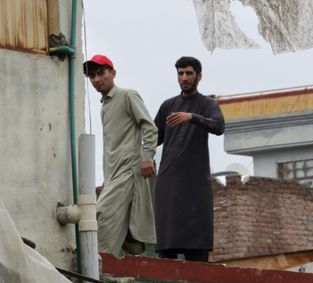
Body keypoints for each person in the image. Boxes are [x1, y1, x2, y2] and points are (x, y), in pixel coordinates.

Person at [84, 54, 157, 256]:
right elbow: (111, 146)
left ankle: (99, 264)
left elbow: (149, 127)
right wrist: (107, 179)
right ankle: (110, 263)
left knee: (102, 214)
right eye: (92, 76)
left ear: (113, 73)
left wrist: (147, 157)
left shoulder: (127, 96)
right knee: (117, 224)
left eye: (101, 73)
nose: (97, 79)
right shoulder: (105, 107)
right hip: (114, 174)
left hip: (128, 170)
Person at [154, 56, 225, 262]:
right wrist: (142, 157)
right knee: (166, 245)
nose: (184, 78)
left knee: (197, 245)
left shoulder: (207, 104)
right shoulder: (168, 106)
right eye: (180, 73)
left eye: (189, 73)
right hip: (168, 182)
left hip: (195, 184)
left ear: (199, 77)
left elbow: (219, 126)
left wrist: (192, 117)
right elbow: (152, 137)